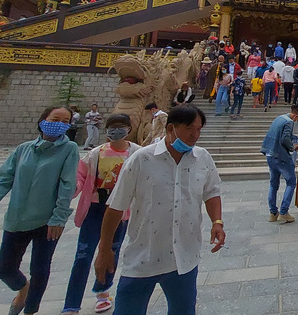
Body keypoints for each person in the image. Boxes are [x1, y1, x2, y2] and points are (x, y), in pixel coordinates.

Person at [93, 105, 224, 315]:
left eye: (199, 129)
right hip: (144, 256)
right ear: (171, 128)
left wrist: (217, 222)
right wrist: (104, 250)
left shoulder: (203, 158)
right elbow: (116, 206)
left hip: (184, 257)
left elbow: (212, 192)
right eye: (190, 128)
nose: (195, 135)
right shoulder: (142, 159)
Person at [0, 106, 79, 315]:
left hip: (48, 221)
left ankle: (30, 310)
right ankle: (23, 289)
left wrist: (59, 217)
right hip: (17, 219)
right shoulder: (23, 149)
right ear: (42, 120)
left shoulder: (69, 149)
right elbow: (3, 180)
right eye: (56, 119)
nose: (61, 124)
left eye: (66, 122)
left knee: (39, 270)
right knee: (4, 269)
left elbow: (67, 185)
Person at [62, 114, 141, 315]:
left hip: (120, 211)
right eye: (112, 127)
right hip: (96, 208)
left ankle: (102, 292)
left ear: (128, 128)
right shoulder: (96, 153)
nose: (116, 130)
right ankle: (71, 303)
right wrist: (66, 194)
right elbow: (79, 178)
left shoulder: (136, 153)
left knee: (110, 252)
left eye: (120, 126)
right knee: (83, 254)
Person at [260, 107, 298, 223]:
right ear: (295, 116)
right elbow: (285, 138)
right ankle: (284, 211)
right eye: (297, 120)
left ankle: (273, 212)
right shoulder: (288, 121)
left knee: (273, 184)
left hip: (270, 154)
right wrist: (292, 147)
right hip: (280, 156)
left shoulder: (279, 118)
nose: (295, 122)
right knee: (291, 182)